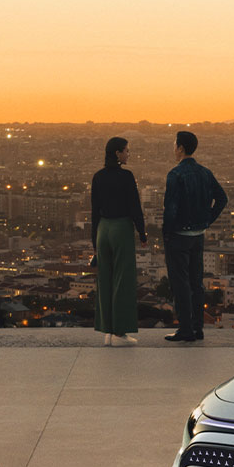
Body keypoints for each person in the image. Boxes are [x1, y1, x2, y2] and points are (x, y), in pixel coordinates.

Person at [161, 126, 226, 341]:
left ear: (180, 148)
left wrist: (167, 234)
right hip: (198, 235)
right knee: (196, 283)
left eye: (174, 145)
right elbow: (222, 198)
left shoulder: (176, 174)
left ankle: (186, 329)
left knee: (180, 284)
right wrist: (207, 219)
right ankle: (198, 328)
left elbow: (170, 209)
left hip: (178, 236)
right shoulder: (205, 173)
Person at [86, 137, 144, 340]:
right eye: (126, 151)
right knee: (123, 280)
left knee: (104, 280)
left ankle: (106, 330)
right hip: (121, 228)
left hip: (103, 229)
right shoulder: (126, 177)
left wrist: (95, 242)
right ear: (118, 154)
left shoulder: (98, 177)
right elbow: (134, 206)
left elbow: (94, 212)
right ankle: (120, 332)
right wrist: (142, 232)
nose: (129, 154)